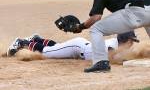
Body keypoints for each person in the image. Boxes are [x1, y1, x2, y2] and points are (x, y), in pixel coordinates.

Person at [69, 0, 150, 72]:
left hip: (135, 12)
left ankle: (101, 62)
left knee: (96, 29)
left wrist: (80, 27)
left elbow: (96, 17)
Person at [7, 31, 139, 60]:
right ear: (123, 40)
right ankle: (22, 43)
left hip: (80, 48)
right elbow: (112, 55)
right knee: (48, 53)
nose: (132, 43)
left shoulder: (120, 45)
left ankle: (37, 39)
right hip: (78, 48)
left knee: (57, 47)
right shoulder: (112, 45)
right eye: (130, 40)